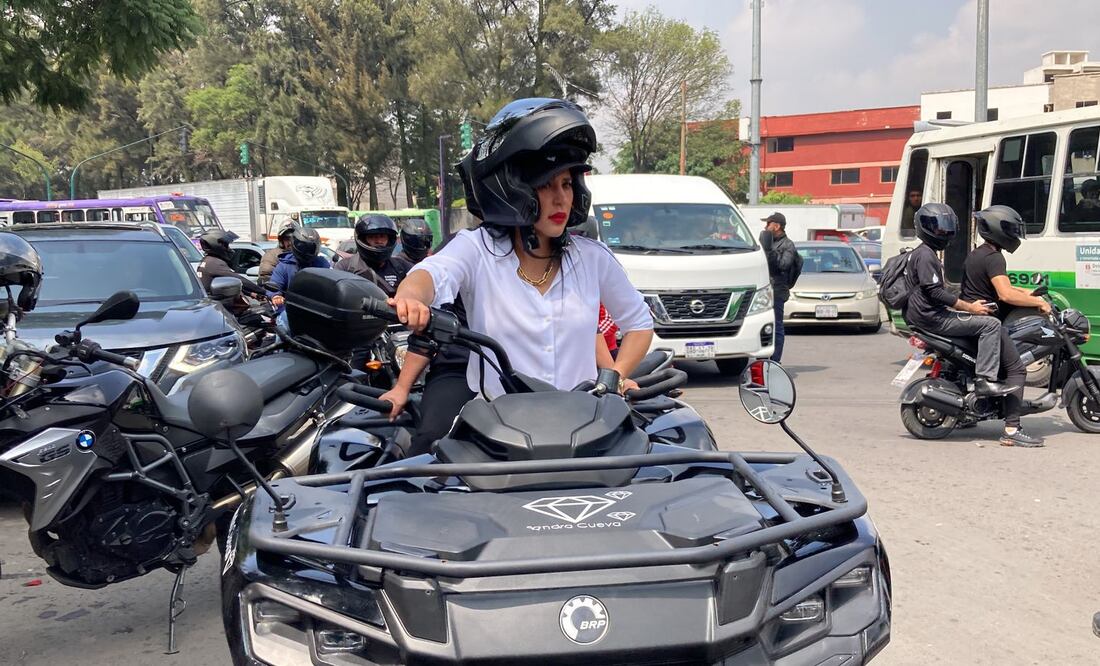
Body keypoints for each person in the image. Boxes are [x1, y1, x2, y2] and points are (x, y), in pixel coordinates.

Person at [388, 97, 654, 410]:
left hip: (584, 423)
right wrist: (410, 299)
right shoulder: (477, 249)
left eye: (567, 184)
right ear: (512, 188)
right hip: (497, 427)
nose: (561, 198)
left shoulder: (592, 258)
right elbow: (430, 274)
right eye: (546, 185)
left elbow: (639, 322)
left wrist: (615, 376)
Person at [959, 205, 1048, 447]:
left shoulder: (978, 254)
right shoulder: (994, 257)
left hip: (971, 321)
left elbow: (1000, 287)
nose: (1014, 235)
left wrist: (1027, 293)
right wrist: (1039, 303)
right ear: (997, 229)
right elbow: (1005, 294)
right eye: (1010, 229)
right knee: (1017, 370)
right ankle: (1012, 429)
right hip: (987, 323)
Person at [903, 203, 1011, 399]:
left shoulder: (922, 252)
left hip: (924, 315)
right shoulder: (926, 255)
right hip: (932, 318)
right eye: (938, 228)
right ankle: (985, 379)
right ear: (924, 227)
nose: (944, 232)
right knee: (991, 324)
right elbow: (935, 292)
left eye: (946, 227)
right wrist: (970, 307)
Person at [334, 214, 412, 296]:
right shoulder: (346, 267)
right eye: (372, 237)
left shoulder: (401, 267)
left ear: (389, 239)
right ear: (363, 239)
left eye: (382, 236)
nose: (379, 241)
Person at [195, 230, 266, 314]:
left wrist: (251, 294)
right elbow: (239, 280)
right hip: (220, 308)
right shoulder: (215, 263)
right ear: (218, 245)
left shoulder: (208, 261)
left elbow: (231, 283)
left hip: (216, 306)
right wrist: (264, 291)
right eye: (226, 245)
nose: (229, 249)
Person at [759, 212, 798, 363]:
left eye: (768, 224)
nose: (765, 227)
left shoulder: (788, 245)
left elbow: (783, 265)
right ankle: (761, 360)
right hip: (763, 290)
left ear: (776, 226)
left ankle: (775, 361)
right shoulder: (765, 242)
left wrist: (769, 251)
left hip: (777, 290)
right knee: (761, 325)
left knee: (777, 326)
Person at [267, 226, 331, 315]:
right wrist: (276, 296)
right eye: (303, 246)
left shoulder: (323, 264)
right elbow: (275, 284)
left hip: (319, 312)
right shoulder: (284, 265)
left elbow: (333, 285)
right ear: (295, 245)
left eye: (311, 247)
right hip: (290, 312)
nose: (307, 250)